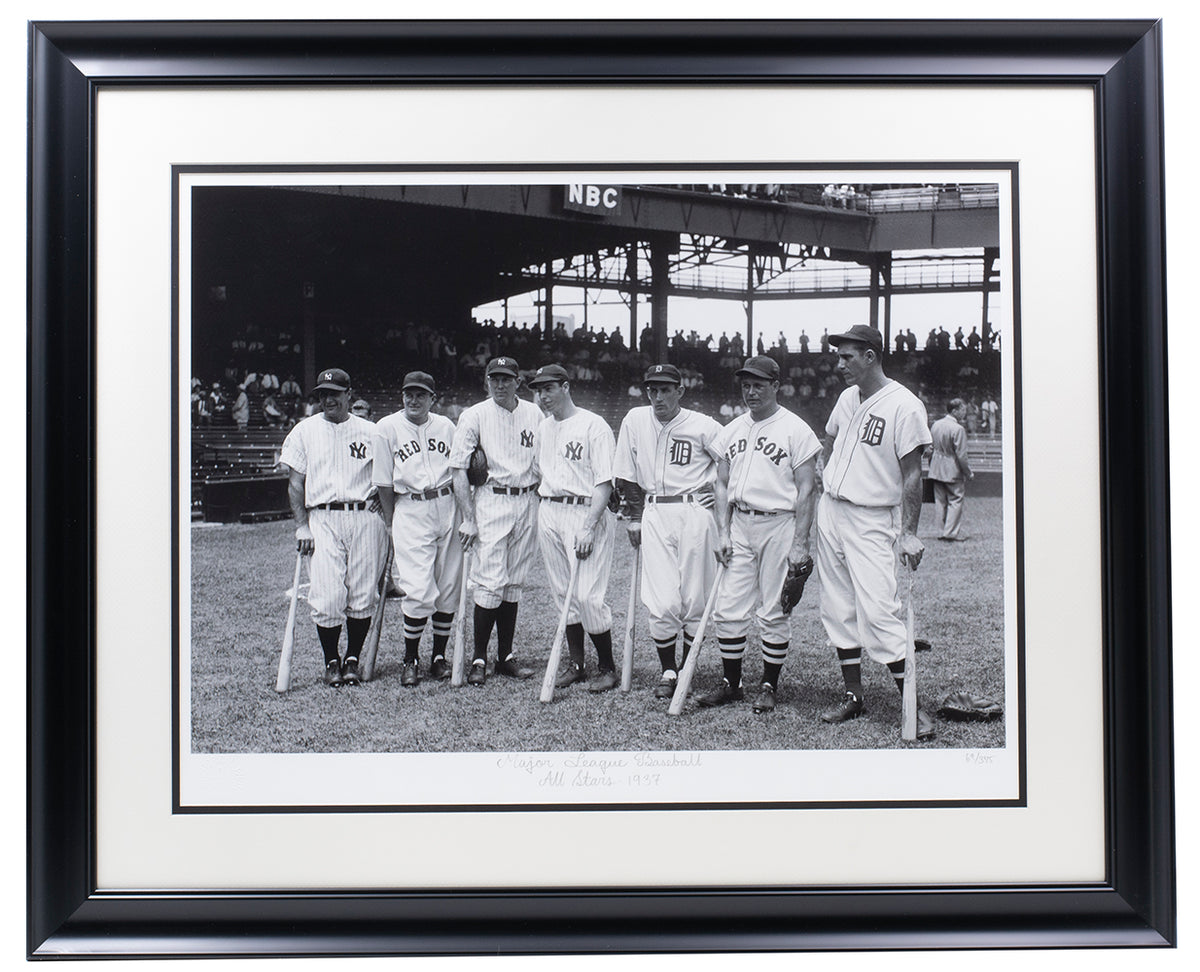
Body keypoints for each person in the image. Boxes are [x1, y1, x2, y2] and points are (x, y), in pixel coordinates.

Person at [815, 326, 935, 739]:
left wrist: (909, 532)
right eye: (839, 356)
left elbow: (913, 474)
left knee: (879, 611)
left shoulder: (905, 405)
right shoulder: (848, 397)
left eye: (848, 357)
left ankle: (912, 706)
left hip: (871, 516)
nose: (840, 364)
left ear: (870, 356)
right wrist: (827, 476)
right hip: (831, 509)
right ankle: (853, 695)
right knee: (837, 606)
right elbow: (830, 439)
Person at [702, 355, 820, 714]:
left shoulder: (796, 429)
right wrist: (723, 532)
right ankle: (732, 682)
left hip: (780, 523)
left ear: (775, 387)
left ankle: (769, 684)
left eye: (758, 385)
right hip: (740, 523)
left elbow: (807, 490)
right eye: (746, 385)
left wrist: (800, 543)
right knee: (727, 608)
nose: (751, 392)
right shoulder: (732, 429)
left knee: (773, 610)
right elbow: (721, 483)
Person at [613, 363, 726, 699]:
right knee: (661, 601)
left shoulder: (704, 425)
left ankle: (688, 666)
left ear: (680, 391)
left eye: (665, 389)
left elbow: (728, 465)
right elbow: (627, 472)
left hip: (694, 512)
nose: (657, 396)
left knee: (694, 598)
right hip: (653, 511)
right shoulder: (635, 420)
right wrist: (634, 517)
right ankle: (668, 669)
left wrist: (719, 492)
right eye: (652, 390)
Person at [280, 368, 389, 688]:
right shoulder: (304, 430)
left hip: (364, 517)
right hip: (323, 518)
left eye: (335, 393)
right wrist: (302, 526)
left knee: (362, 594)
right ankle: (331, 661)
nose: (328, 399)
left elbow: (388, 475)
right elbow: (295, 482)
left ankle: (352, 658)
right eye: (323, 394)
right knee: (327, 596)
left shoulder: (372, 431)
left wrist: (385, 501)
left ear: (348, 394)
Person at [449, 357, 542, 685]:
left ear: (518, 380)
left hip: (527, 498)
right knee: (489, 583)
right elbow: (458, 468)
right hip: (491, 498)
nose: (499, 384)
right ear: (486, 381)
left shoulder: (534, 413)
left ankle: (505, 657)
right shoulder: (474, 414)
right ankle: (478, 657)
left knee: (513, 583)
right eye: (494, 378)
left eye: (506, 378)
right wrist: (468, 518)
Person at [527, 364, 620, 692]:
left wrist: (589, 526)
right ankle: (578, 664)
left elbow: (605, 481)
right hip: (550, 508)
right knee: (564, 594)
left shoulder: (593, 425)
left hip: (584, 512)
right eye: (539, 390)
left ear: (566, 387)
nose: (543, 396)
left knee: (588, 596)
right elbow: (539, 472)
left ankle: (607, 667)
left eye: (549, 388)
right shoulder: (543, 428)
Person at [372, 372, 462, 685]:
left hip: (448, 504)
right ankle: (410, 658)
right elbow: (383, 481)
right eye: (409, 393)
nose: (413, 400)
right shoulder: (386, 427)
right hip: (410, 506)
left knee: (448, 585)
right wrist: (389, 519)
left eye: (421, 395)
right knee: (419, 588)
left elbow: (459, 469)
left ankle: (438, 656)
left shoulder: (446, 426)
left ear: (432, 399)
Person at [928, 398, 974, 542]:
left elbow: (930, 448)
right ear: (954, 411)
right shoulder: (958, 429)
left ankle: (940, 531)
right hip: (952, 468)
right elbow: (961, 455)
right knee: (955, 499)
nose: (964, 413)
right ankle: (950, 533)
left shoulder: (936, 425)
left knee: (940, 500)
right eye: (962, 410)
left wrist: (931, 465)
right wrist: (968, 472)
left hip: (936, 467)